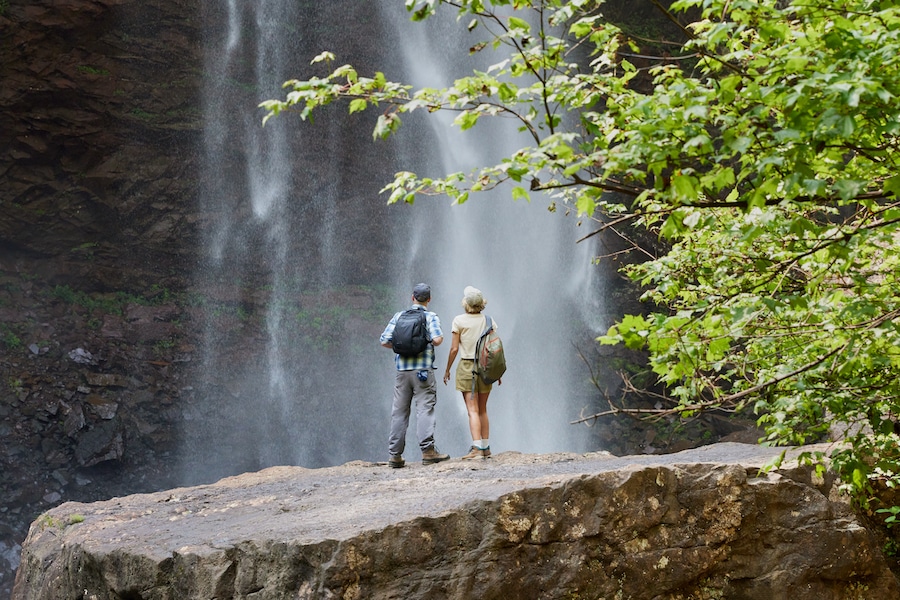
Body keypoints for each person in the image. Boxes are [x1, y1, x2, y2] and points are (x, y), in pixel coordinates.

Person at [380, 283, 450, 468]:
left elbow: (384, 341)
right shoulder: (430, 316)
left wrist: (403, 346)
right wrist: (423, 342)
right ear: (429, 299)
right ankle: (428, 452)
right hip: (423, 372)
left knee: (399, 412)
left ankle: (394, 455)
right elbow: (437, 339)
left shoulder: (399, 316)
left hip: (402, 371)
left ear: (412, 298)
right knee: (424, 409)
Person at [442, 286, 500, 460]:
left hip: (468, 367)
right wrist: (498, 372)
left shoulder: (459, 321)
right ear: (482, 304)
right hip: (486, 368)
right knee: (483, 409)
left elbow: (453, 349)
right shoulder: (489, 320)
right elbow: (494, 348)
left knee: (472, 410)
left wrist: (447, 369)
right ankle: (486, 447)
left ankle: (476, 448)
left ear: (465, 304)